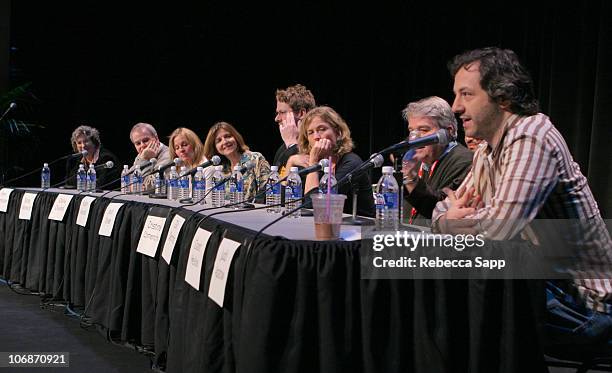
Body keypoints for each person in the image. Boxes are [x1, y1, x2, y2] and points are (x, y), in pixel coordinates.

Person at [432, 47, 612, 345]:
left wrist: (453, 223)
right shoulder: (487, 152)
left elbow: (500, 228)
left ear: (503, 97)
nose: (455, 107)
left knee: (457, 307)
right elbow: (443, 208)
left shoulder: (532, 135)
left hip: (585, 306)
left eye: (466, 95)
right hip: (544, 292)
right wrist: (446, 221)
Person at [287, 106, 375, 217]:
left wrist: (313, 161)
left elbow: (314, 208)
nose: (316, 137)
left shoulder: (352, 163)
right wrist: (290, 162)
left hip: (360, 230)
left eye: (322, 129)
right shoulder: (315, 164)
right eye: (310, 132)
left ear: (338, 133)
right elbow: (285, 202)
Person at [400, 96, 472, 224]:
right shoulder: (418, 160)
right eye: (411, 131)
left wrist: (410, 178)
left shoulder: (464, 161)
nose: (414, 138)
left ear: (449, 131)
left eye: (423, 130)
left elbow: (439, 210)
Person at [203, 121, 271, 202]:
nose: (225, 142)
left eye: (228, 136)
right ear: (215, 148)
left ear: (236, 137)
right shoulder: (222, 170)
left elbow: (267, 190)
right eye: (219, 140)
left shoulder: (255, 158)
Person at [273, 84, 316, 177]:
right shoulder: (283, 148)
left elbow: (301, 184)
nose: (276, 118)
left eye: (282, 112)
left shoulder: (315, 145)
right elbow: (274, 185)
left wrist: (292, 145)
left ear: (301, 113)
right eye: (277, 113)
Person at [65, 125, 119, 189]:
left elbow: (102, 184)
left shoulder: (106, 158)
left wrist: (81, 183)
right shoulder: (75, 160)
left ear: (94, 142)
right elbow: (69, 183)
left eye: (86, 141)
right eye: (79, 143)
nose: (83, 146)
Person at [129, 122, 171, 192]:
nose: (142, 145)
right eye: (138, 143)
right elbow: (126, 181)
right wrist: (144, 159)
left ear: (156, 138)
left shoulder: (168, 155)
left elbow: (151, 187)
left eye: (145, 140)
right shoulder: (142, 155)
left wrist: (145, 160)